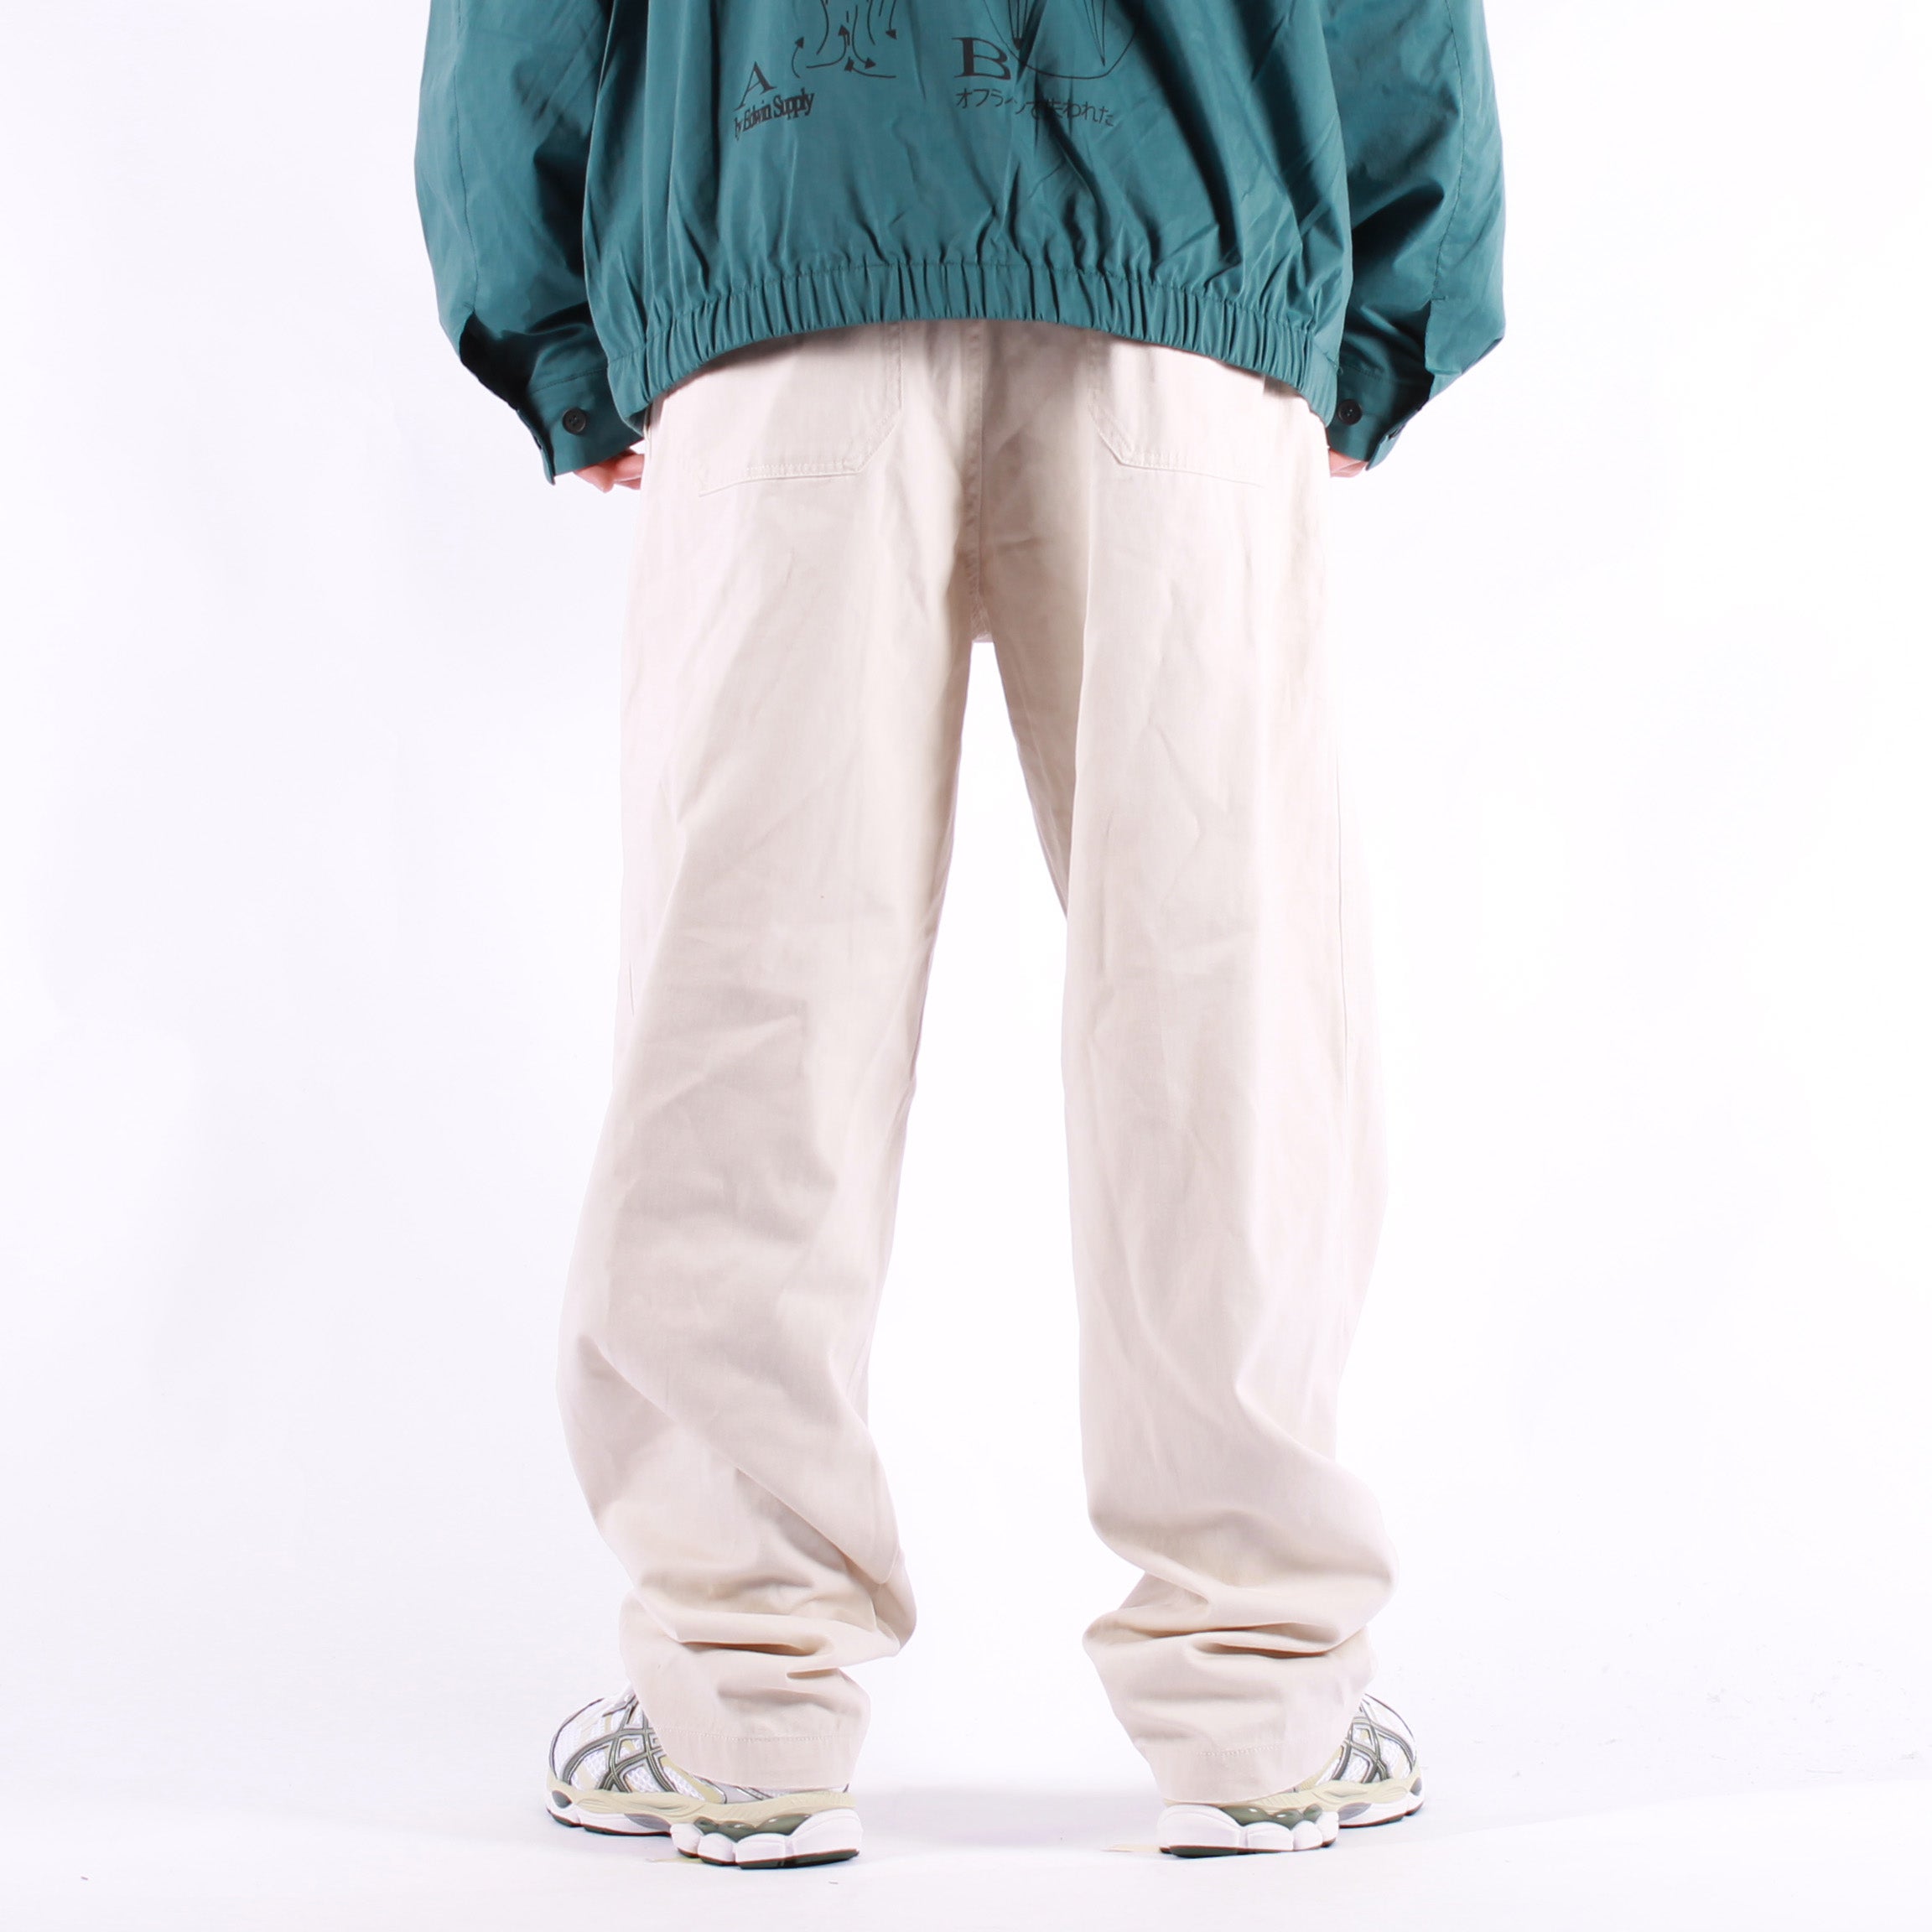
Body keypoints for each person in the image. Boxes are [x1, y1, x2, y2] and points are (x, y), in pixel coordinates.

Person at [417, 0, 1504, 1870]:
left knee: (752, 992)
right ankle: (1261, 1698)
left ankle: (741, 1701)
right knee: (1224, 986)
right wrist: (1390, 305)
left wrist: (556, 320)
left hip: (778, 225)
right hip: (1189, 246)